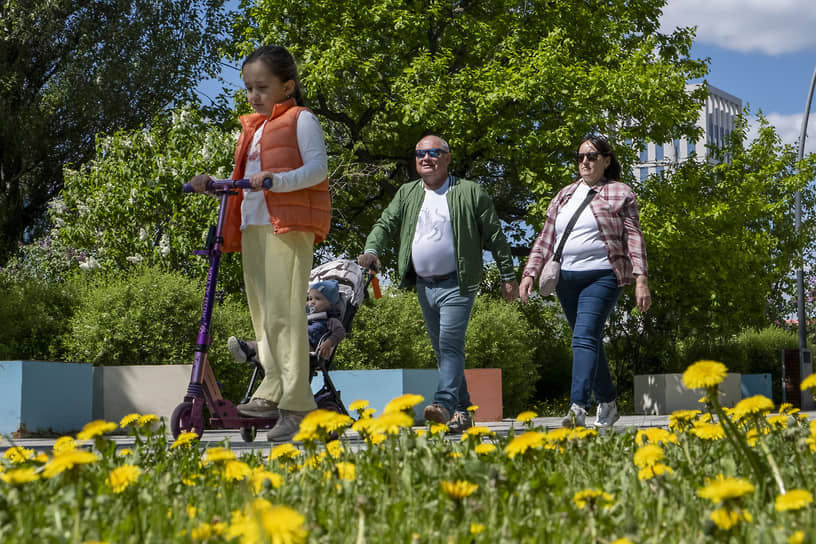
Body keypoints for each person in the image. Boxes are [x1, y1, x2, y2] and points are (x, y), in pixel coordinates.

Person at [189, 45, 330, 442]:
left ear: (287, 85)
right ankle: (272, 390)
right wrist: (210, 183)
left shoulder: (302, 120)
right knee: (264, 317)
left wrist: (276, 180)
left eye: (262, 87)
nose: (253, 96)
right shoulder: (253, 128)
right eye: (249, 88)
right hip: (253, 225)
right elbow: (246, 178)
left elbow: (317, 169)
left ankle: (299, 407)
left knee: (286, 314)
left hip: (287, 225)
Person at [358, 133, 519, 433]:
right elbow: (385, 223)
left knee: (450, 345)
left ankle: (443, 403)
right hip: (424, 285)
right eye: (420, 154)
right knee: (444, 352)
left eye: (433, 152)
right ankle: (464, 411)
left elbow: (495, 236)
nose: (426, 158)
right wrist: (372, 250)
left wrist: (508, 276)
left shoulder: (470, 192)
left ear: (447, 157)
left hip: (458, 283)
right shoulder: (407, 193)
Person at [519, 135, 651, 429]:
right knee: (588, 340)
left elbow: (633, 237)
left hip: (603, 274)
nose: (585, 162)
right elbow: (546, 237)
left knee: (583, 337)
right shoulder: (564, 195)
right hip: (566, 277)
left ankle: (577, 408)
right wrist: (530, 273)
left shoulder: (620, 193)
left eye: (591, 156)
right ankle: (609, 401)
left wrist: (641, 278)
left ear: (606, 160)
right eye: (580, 157)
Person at [305, 280, 346, 359]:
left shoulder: (330, 320)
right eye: (310, 299)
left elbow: (340, 332)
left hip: (310, 349)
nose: (312, 302)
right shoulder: (305, 317)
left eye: (317, 298)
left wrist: (329, 342)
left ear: (330, 304)